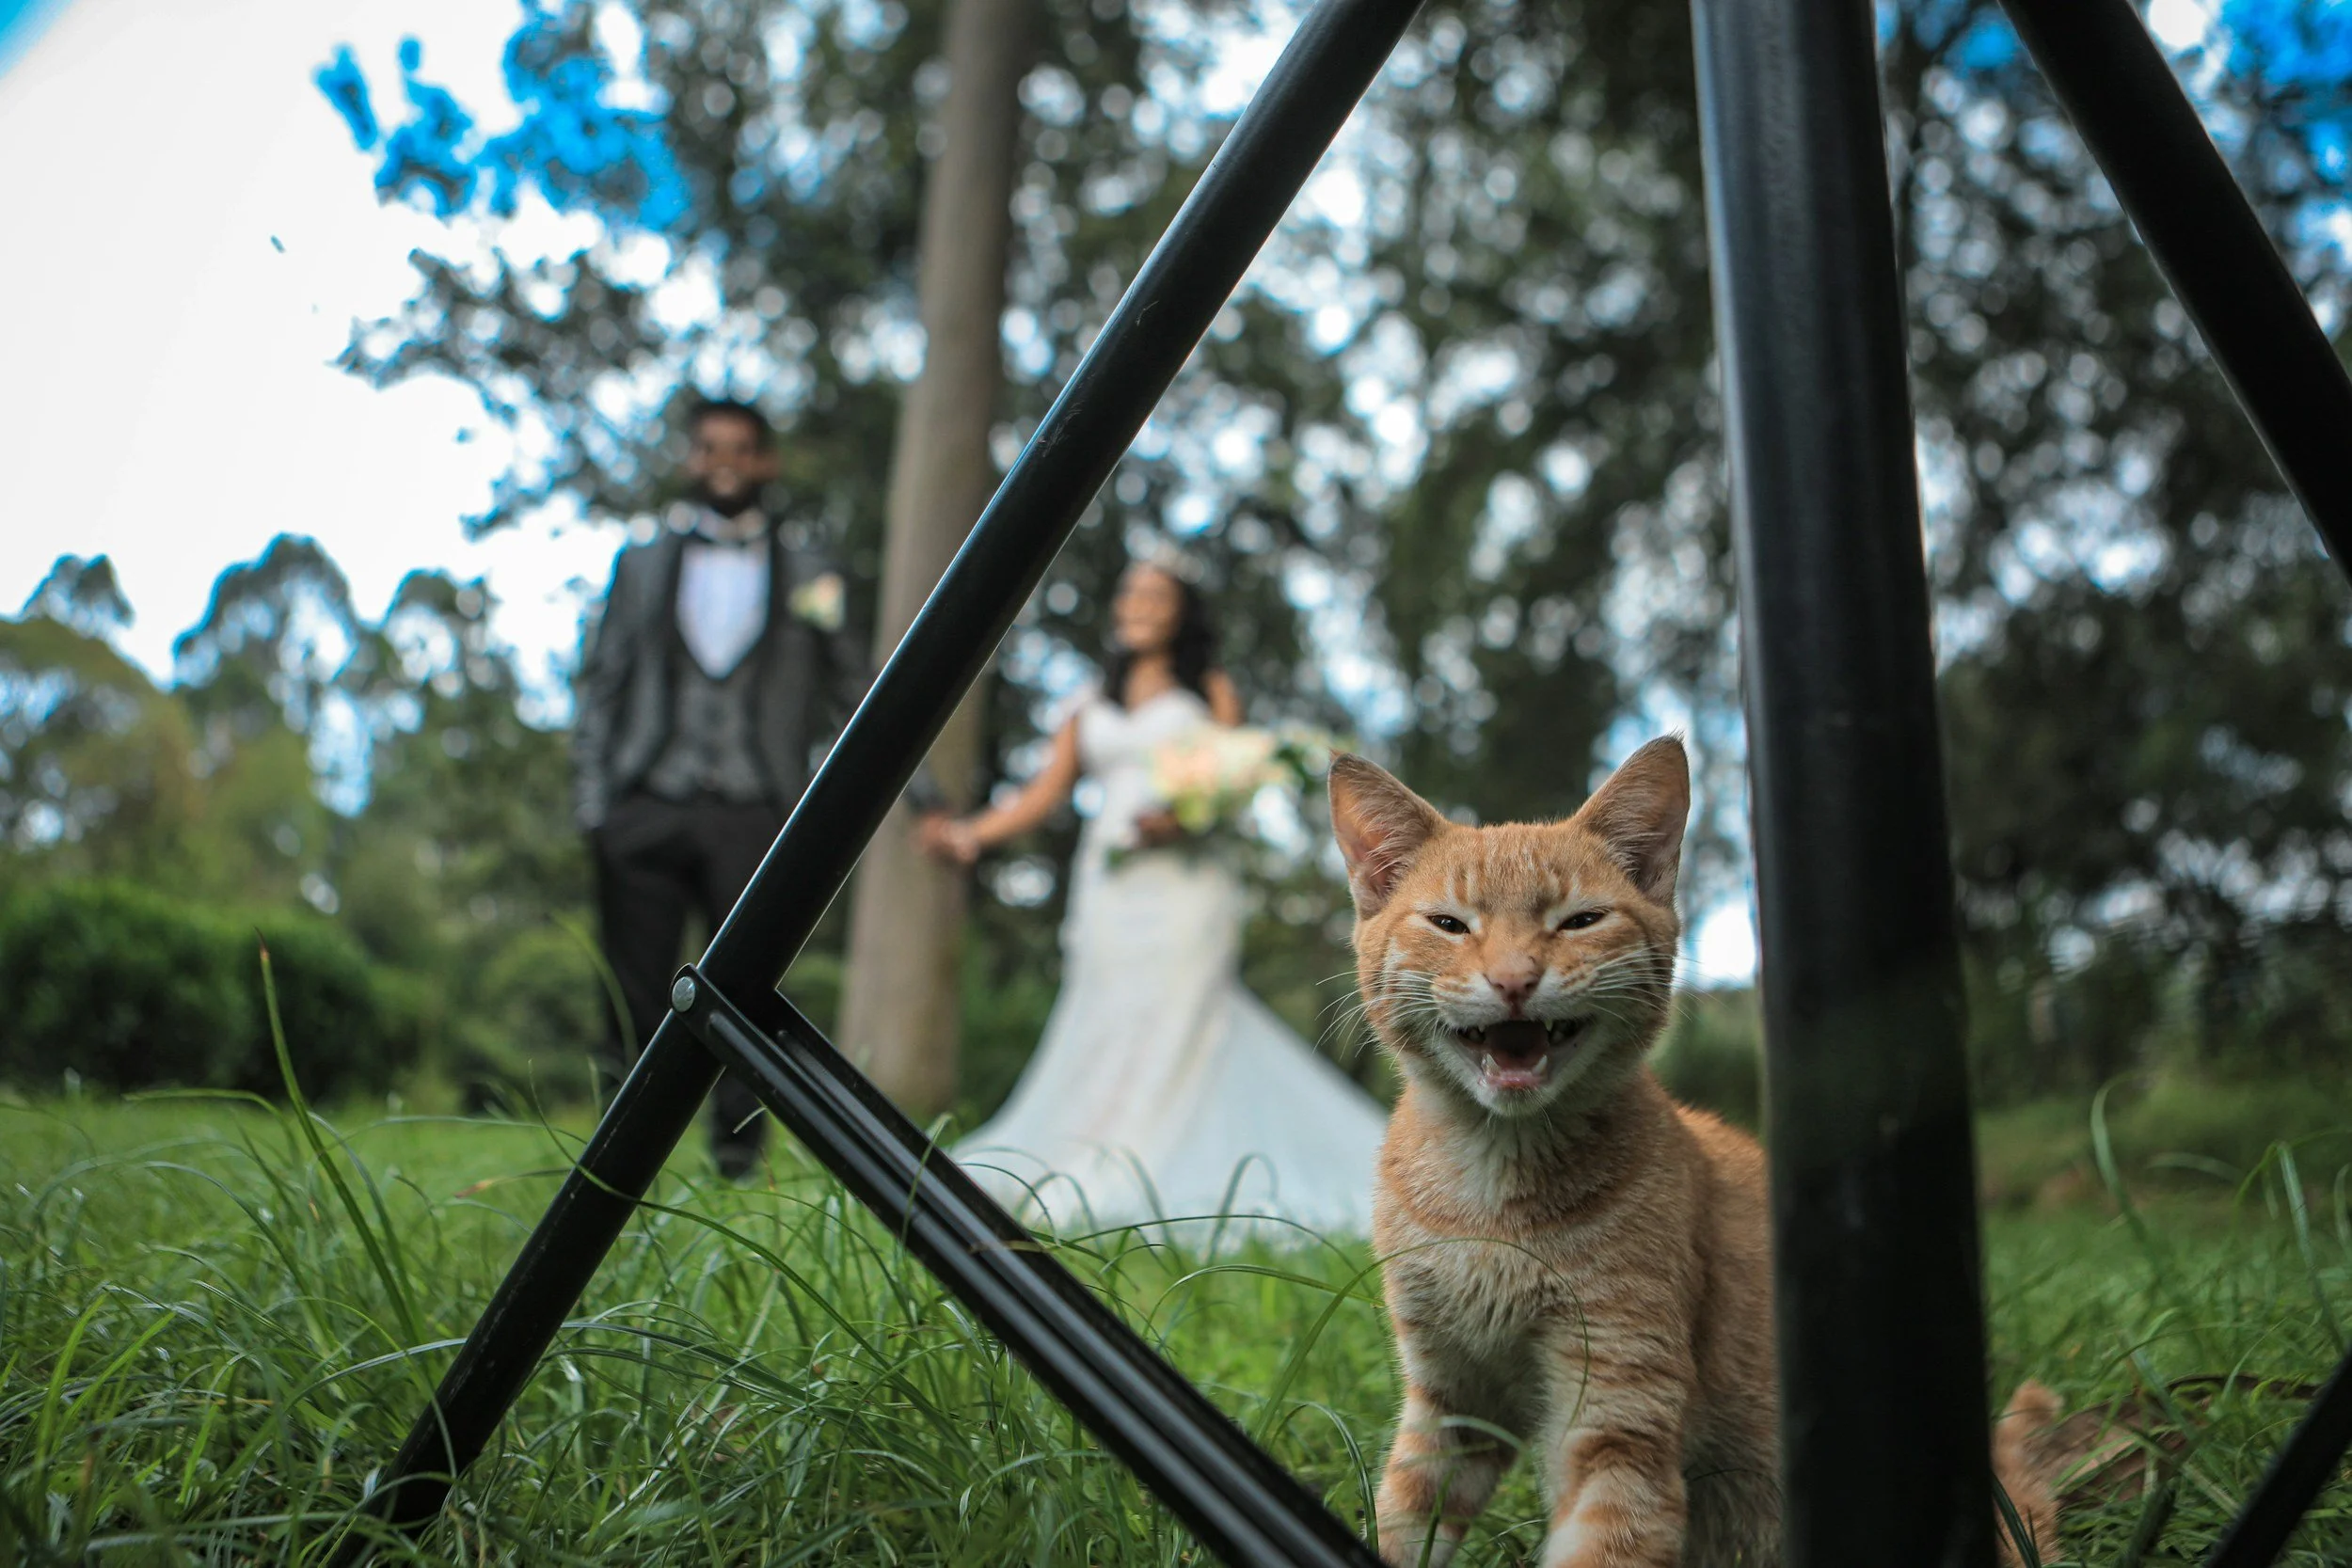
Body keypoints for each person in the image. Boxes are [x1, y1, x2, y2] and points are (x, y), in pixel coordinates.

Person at [921, 554, 1389, 1240]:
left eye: (1156, 594)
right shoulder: (1088, 703)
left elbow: (1234, 782)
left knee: (1178, 1017)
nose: (1138, 603)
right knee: (1106, 1014)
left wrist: (1184, 817)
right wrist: (969, 835)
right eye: (1131, 590)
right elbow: (1042, 795)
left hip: (1188, 887)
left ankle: (1148, 1160)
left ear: (1181, 611)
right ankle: (1088, 1146)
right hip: (1109, 885)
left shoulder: (1211, 690)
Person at [573, 398, 933, 1178]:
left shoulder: (813, 573)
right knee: (629, 997)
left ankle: (738, 1165)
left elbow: (853, 688)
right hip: (645, 802)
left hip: (757, 808)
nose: (725, 459)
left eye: (741, 447)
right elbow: (602, 684)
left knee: (742, 996)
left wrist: (924, 788)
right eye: (710, 447)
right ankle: (614, 1169)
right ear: (691, 458)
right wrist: (595, 807)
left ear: (766, 461)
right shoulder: (637, 565)